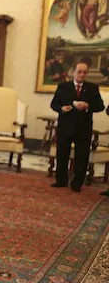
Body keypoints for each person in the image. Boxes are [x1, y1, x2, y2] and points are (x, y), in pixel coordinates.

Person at [51, 60, 104, 192]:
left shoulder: (92, 88)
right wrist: (62, 108)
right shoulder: (63, 87)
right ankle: (61, 180)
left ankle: (77, 183)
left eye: (84, 72)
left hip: (83, 127)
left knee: (82, 156)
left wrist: (87, 106)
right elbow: (54, 104)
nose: (82, 75)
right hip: (66, 126)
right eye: (79, 72)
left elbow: (100, 107)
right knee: (62, 153)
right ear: (73, 72)